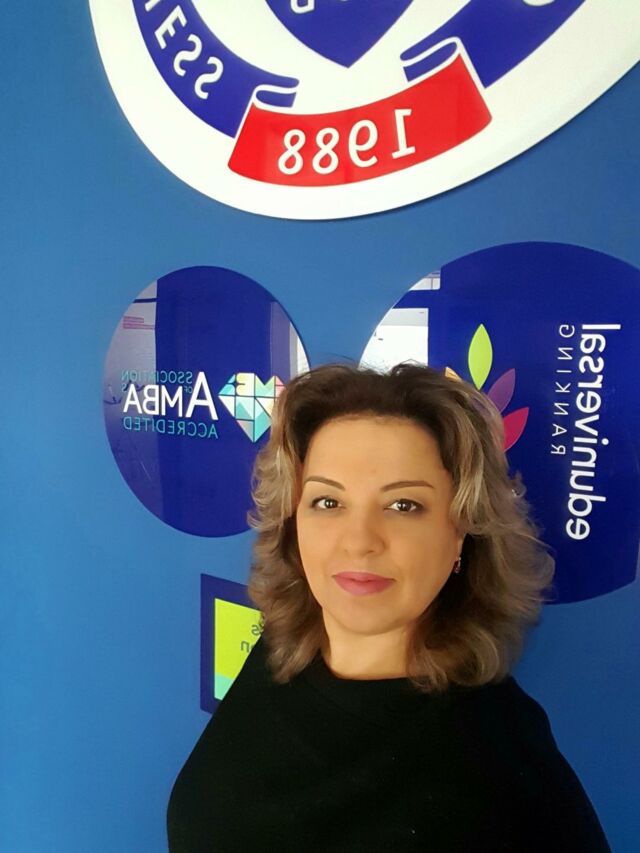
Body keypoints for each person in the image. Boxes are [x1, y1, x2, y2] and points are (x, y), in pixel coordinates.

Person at [167, 362, 611, 852]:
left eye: (403, 505)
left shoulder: (504, 763)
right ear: (293, 523)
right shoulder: (278, 656)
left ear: (462, 533)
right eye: (328, 502)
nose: (359, 541)